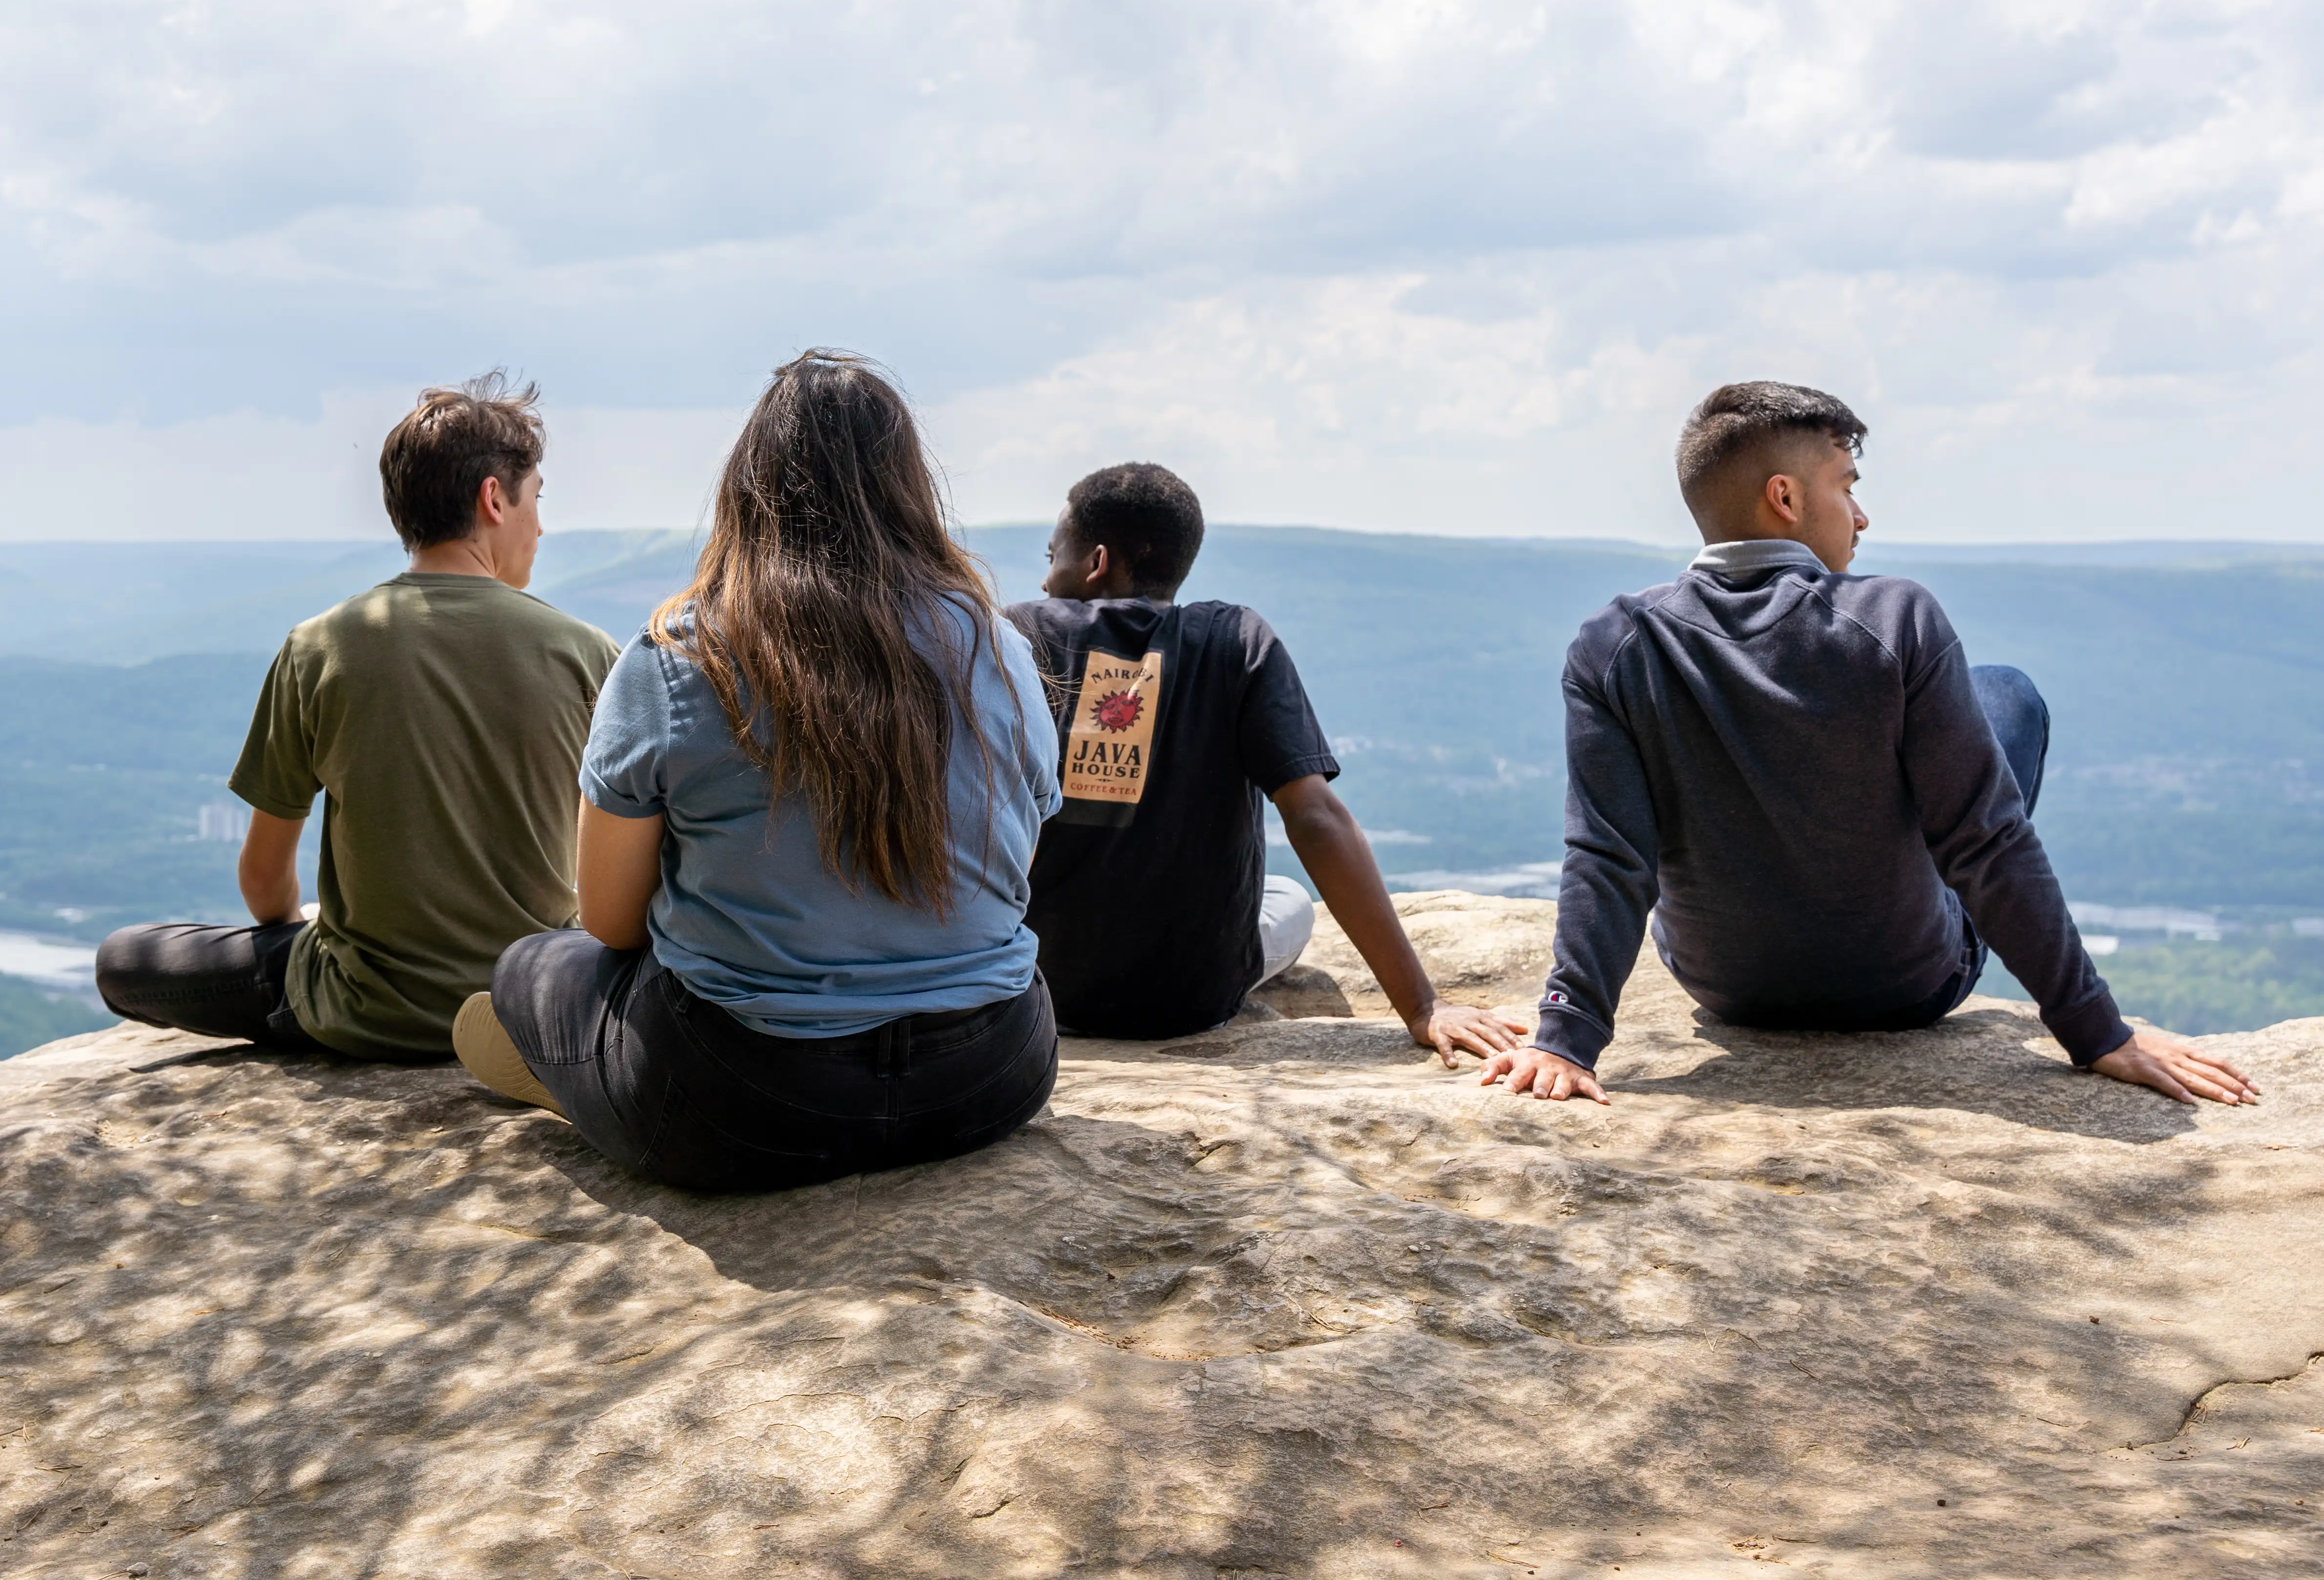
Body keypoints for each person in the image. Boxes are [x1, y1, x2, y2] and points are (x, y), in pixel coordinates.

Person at [1482, 380, 2259, 1111]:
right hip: (1908, 988)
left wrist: (1568, 1039)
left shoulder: (1613, 643)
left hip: (1727, 990)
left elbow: (1607, 854)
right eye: (1845, 487)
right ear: (1783, 498)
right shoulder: (1896, 618)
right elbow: (1984, 841)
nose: (1859, 517)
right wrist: (2097, 1032)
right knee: (2007, 695)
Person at [453, 352, 1063, 1193]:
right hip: (990, 1075)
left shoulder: (678, 655)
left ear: (749, 487)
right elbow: (1008, 873)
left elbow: (610, 921)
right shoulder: (1003, 650)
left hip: (744, 1102)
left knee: (532, 963)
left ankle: (588, 1085)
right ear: (911, 489)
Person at [95, 375, 621, 1060]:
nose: (541, 525)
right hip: (530, 1002)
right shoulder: (588, 654)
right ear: (494, 497)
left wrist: (296, 938)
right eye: (536, 498)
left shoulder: (319, 646)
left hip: (354, 1010)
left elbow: (263, 884)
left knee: (124, 959)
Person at [1005, 462, 1528, 1061]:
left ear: (1096, 562)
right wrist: (1421, 1005)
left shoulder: (1017, 635)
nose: (1046, 581)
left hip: (1042, 984)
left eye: (1053, 557)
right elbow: (1315, 817)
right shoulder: (1236, 639)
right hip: (1189, 998)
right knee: (1288, 899)